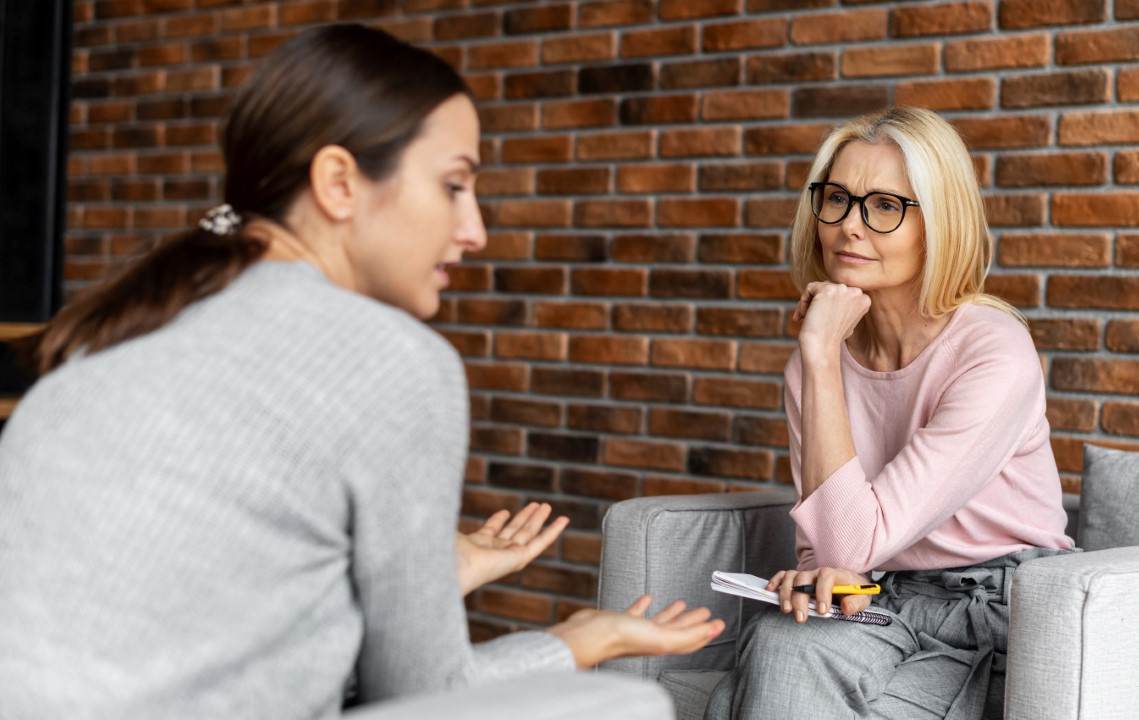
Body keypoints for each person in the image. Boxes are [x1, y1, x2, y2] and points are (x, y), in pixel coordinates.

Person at [0, 24, 722, 719]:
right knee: (618, 705)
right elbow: (423, 696)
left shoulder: (124, 329)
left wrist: (440, 579)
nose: (475, 231)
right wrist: (583, 639)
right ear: (340, 182)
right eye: (453, 185)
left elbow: (204, 612)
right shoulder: (392, 359)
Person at [703, 107, 1074, 720]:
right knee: (780, 639)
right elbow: (828, 547)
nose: (850, 227)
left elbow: (856, 538)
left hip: (996, 611)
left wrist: (820, 354)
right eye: (838, 200)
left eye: (884, 206)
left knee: (764, 679)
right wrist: (814, 578)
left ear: (939, 223)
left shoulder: (993, 351)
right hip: (879, 597)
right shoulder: (813, 366)